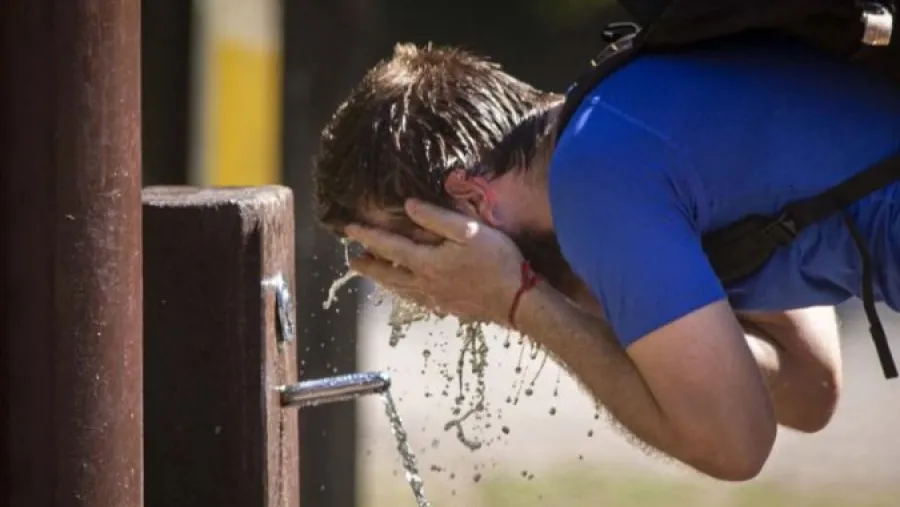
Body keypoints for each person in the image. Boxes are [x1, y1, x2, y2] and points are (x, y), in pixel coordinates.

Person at [312, 34, 900, 480]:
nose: (429, 292)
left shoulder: (594, 179)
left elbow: (734, 443)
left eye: (409, 253)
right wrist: (580, 301)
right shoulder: (618, 123)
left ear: (469, 198)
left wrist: (520, 301)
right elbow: (810, 388)